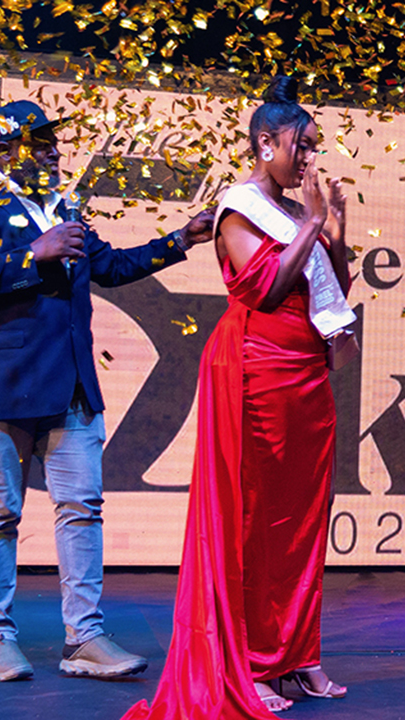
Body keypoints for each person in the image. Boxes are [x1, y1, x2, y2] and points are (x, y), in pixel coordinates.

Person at [0, 100, 213, 682]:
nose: (54, 152)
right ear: (6, 151)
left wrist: (181, 239)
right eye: (40, 143)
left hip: (72, 387)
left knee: (82, 509)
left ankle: (84, 637)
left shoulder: (65, 208)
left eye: (53, 142)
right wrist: (31, 254)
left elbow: (110, 267)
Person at [123, 76, 353, 719]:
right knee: (254, 520)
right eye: (301, 146)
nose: (309, 158)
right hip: (257, 370)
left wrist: (335, 229)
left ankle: (295, 654)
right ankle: (248, 661)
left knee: (303, 519)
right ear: (265, 144)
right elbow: (267, 291)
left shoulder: (293, 212)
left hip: (307, 371)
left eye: (314, 146)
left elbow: (335, 289)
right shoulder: (239, 208)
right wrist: (313, 223)